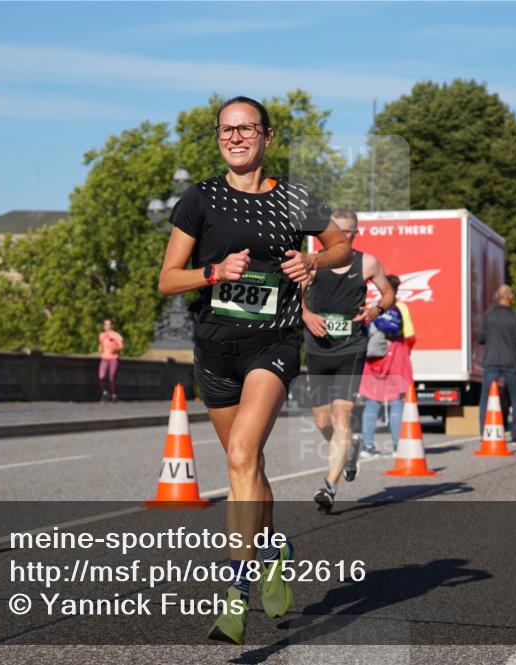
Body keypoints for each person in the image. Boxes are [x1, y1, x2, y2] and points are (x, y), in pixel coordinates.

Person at [158, 96, 351, 644]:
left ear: (267, 136)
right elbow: (168, 279)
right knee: (251, 468)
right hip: (215, 350)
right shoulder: (199, 199)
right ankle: (273, 550)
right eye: (226, 130)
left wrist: (311, 260)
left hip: (274, 342)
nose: (236, 137)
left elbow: (340, 245)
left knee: (241, 456)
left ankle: (235, 596)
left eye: (246, 129)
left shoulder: (293, 198)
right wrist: (213, 271)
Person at [301, 209, 394, 512]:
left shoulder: (366, 262)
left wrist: (375, 311)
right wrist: (306, 314)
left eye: (348, 231)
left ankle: (329, 486)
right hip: (316, 348)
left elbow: (388, 293)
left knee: (342, 416)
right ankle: (350, 447)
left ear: (356, 233)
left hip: (351, 348)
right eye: (336, 230)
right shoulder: (313, 260)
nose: (342, 236)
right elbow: (294, 294)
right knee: (322, 420)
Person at [356, 275, 413, 459]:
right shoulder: (400, 308)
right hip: (395, 357)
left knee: (372, 403)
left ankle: (368, 445)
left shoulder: (373, 307)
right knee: (396, 403)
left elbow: (363, 330)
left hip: (373, 360)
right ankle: (398, 446)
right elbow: (409, 335)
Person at [478, 284, 516, 443]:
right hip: (511, 361)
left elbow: (481, 339)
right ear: (509, 297)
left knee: (486, 397)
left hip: (491, 360)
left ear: (498, 297)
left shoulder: (487, 316)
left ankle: (484, 432)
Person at [98, 319, 124, 401]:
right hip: (104, 358)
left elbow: (121, 346)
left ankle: (114, 394)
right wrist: (100, 348)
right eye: (105, 324)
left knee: (111, 377)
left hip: (113, 358)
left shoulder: (116, 335)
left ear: (111, 326)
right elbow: (101, 344)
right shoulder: (102, 335)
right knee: (101, 376)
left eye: (108, 324)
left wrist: (115, 348)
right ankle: (105, 392)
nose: (106, 326)